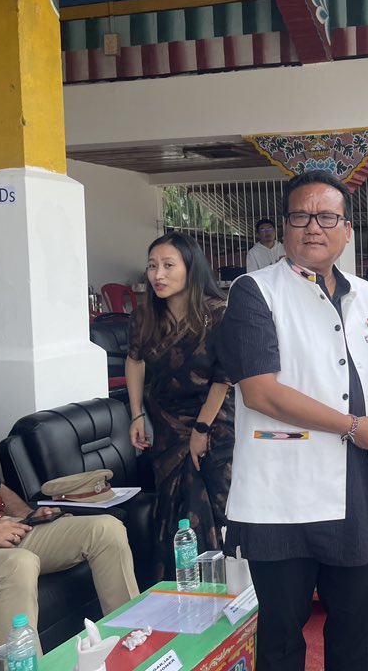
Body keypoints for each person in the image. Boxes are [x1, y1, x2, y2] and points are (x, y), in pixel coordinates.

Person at [215, 170, 368, 671]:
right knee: (283, 635)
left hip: (352, 490)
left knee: (353, 625)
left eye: (327, 216)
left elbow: (362, 369)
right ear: (283, 228)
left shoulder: (365, 294)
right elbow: (262, 392)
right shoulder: (254, 291)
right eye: (301, 216)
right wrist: (353, 426)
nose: (314, 227)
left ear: (347, 230)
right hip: (281, 493)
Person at [0, 412, 139, 651]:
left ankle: (129, 644)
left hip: (3, 525)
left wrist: (27, 514)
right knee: (18, 564)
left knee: (106, 529)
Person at [127, 232, 235, 580]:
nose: (158, 275)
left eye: (168, 266)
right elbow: (134, 361)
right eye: (152, 266)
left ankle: (231, 588)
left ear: (191, 268)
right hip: (167, 426)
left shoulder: (218, 314)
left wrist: (201, 430)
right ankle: (182, 593)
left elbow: (224, 377)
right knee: (175, 513)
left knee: (218, 508)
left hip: (214, 424)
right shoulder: (145, 317)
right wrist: (136, 415)